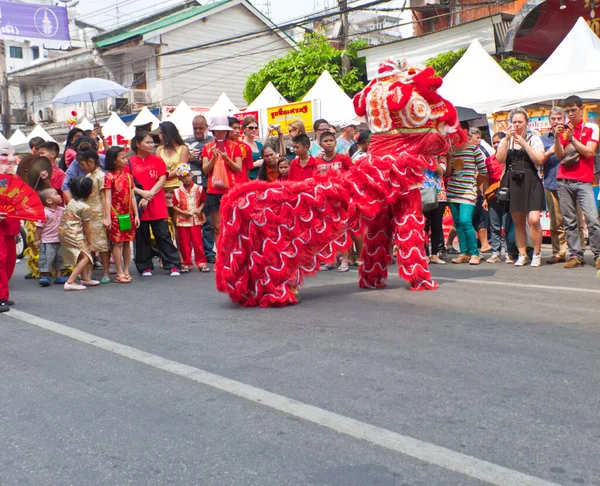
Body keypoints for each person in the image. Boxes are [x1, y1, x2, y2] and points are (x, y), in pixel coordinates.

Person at [554, 95, 600, 270]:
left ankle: (598, 254)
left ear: (581, 109)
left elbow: (589, 152)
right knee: (569, 221)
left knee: (592, 219)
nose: (570, 114)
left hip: (583, 181)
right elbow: (559, 156)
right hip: (563, 179)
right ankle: (575, 255)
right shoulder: (565, 129)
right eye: (567, 111)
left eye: (573, 110)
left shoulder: (591, 127)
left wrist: (572, 138)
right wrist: (558, 138)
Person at [127, 131, 181, 277]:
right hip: (138, 202)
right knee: (142, 236)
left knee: (163, 234)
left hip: (156, 201)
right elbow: (128, 182)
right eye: (147, 142)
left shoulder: (157, 160)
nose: (151, 145)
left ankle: (173, 264)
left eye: (152, 142)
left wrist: (149, 195)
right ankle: (144, 265)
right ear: (138, 144)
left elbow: (162, 178)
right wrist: (141, 193)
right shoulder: (130, 162)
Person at [496, 107, 545, 267]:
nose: (516, 125)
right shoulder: (507, 139)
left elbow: (539, 159)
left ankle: (537, 253)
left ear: (526, 122)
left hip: (531, 181)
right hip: (514, 183)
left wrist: (523, 143)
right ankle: (522, 254)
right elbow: (500, 158)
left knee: (534, 219)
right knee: (517, 220)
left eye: (520, 122)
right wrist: (505, 140)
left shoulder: (534, 138)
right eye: (514, 122)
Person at [541, 107, 584, 264]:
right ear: (549, 120)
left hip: (573, 181)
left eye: (559, 118)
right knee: (556, 221)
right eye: (553, 118)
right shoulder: (544, 138)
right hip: (552, 182)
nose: (556, 121)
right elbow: (540, 160)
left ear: (564, 119)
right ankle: (559, 252)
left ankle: (577, 252)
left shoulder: (571, 134)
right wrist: (551, 150)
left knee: (575, 219)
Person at [445, 142, 489, 265]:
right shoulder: (451, 149)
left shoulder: (473, 149)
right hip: (453, 192)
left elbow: (484, 171)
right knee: (458, 224)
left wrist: (474, 183)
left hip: (468, 193)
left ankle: (475, 253)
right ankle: (464, 253)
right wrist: (449, 157)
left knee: (465, 221)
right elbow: (447, 174)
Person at [315, 130, 353, 271]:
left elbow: (353, 174)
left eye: (331, 140)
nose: (329, 143)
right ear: (320, 144)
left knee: (343, 230)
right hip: (327, 202)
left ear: (335, 142)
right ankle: (331, 260)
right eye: (326, 141)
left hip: (342, 201)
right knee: (329, 231)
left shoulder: (343, 159)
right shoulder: (317, 162)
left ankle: (345, 259)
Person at [201, 117, 243, 244]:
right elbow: (205, 170)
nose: (220, 133)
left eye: (223, 130)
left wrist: (226, 158)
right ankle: (221, 256)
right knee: (217, 227)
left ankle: (232, 253)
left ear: (227, 132)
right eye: (217, 131)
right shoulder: (207, 147)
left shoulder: (235, 146)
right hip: (213, 191)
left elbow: (238, 168)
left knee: (232, 225)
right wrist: (214, 158)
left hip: (230, 190)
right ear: (213, 132)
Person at [103, 146, 140, 283]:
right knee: (117, 243)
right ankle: (119, 272)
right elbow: (107, 198)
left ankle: (126, 270)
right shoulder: (109, 177)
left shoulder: (129, 177)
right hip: (115, 214)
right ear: (113, 160)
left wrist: (136, 214)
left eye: (126, 157)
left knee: (127, 242)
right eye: (122, 158)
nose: (126, 160)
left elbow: (132, 197)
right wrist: (107, 217)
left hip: (127, 213)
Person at [76, 149, 111, 283]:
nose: (81, 167)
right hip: (88, 214)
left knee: (102, 245)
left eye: (82, 164)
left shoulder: (101, 176)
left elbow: (105, 198)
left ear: (91, 161)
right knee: (88, 244)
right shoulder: (89, 176)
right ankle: (89, 271)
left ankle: (106, 271)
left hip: (99, 213)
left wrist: (106, 216)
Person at [184, 115, 215, 263]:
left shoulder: (212, 142)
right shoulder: (187, 143)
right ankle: (191, 253)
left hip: (208, 185)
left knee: (208, 220)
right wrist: (188, 157)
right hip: (190, 187)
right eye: (195, 128)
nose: (197, 131)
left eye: (200, 128)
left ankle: (208, 251)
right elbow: (180, 163)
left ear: (206, 127)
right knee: (189, 220)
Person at [59, 177, 97, 291]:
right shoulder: (85, 207)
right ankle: (70, 281)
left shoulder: (71, 202)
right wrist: (90, 242)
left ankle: (85, 278)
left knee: (81, 255)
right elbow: (87, 227)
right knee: (86, 256)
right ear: (90, 191)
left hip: (64, 232)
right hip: (74, 234)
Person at [485, 132, 517, 263]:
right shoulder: (489, 160)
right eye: (494, 142)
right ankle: (495, 253)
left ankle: (510, 252)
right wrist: (485, 197)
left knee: (508, 225)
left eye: (499, 142)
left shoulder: (510, 157)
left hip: (508, 195)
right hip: (493, 196)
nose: (496, 144)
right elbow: (486, 179)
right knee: (494, 226)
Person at [172, 163, 209, 273]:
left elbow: (203, 201)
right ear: (179, 178)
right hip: (183, 220)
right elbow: (173, 205)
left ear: (192, 174)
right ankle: (186, 262)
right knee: (184, 243)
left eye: (188, 175)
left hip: (195, 219)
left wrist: (199, 209)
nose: (187, 178)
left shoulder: (199, 188)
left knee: (198, 242)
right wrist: (182, 212)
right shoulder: (177, 191)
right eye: (183, 177)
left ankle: (201, 262)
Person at [156, 121, 190, 219]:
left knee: (178, 220)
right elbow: (157, 168)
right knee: (165, 220)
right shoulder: (159, 149)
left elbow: (181, 169)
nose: (159, 136)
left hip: (178, 187)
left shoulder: (183, 148)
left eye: (161, 133)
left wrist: (164, 177)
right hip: (162, 189)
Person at [34, 188, 67, 287]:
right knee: (46, 259)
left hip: (60, 240)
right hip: (47, 241)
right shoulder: (44, 212)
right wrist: (36, 239)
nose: (59, 196)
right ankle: (45, 276)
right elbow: (39, 228)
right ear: (49, 200)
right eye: (56, 194)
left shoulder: (62, 210)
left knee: (60, 259)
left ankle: (59, 276)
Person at [62, 137, 106, 203]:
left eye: (82, 164)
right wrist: (73, 206)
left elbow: (105, 197)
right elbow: (65, 186)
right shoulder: (77, 163)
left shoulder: (102, 174)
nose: (80, 166)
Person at [423, 156, 447, 265]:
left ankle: (434, 254)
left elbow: (441, 171)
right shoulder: (420, 157)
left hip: (439, 195)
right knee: (424, 226)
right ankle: (425, 254)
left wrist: (432, 159)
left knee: (437, 226)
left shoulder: (441, 158)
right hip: (424, 194)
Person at [241, 116, 263, 180]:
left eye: (256, 128)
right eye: (251, 128)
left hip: (261, 179)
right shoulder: (240, 145)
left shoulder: (259, 145)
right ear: (244, 129)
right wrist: (255, 164)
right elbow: (239, 167)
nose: (254, 130)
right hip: (248, 179)